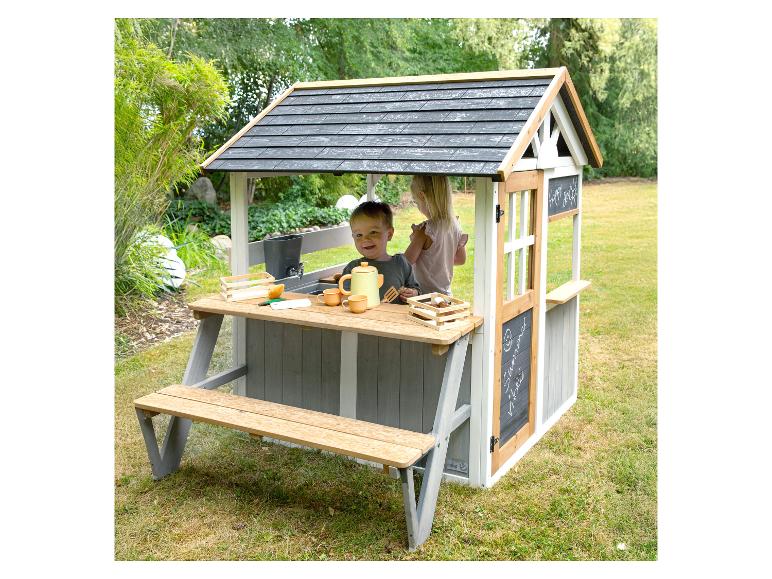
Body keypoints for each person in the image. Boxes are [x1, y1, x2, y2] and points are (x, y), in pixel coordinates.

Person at [339, 201, 420, 303]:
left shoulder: (401, 263)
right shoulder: (353, 268)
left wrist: (412, 293)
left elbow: (416, 290)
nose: (365, 239)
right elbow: (343, 297)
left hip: (395, 313)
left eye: (373, 232)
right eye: (359, 235)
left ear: (389, 234)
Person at [404, 175, 469, 296]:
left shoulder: (425, 231)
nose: (417, 206)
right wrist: (440, 259)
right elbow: (461, 259)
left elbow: (405, 263)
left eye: (416, 202)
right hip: (445, 296)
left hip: (424, 297)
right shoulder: (455, 225)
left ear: (422, 196)